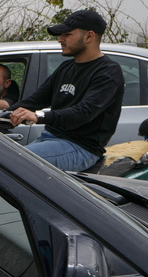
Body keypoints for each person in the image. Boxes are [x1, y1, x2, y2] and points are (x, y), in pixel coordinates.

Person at [7, 10, 125, 171]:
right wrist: (1, 115)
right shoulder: (66, 67)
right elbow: (35, 100)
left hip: (80, 147)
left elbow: (84, 112)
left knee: (10, 162)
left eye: (67, 34)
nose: (60, 40)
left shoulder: (108, 72)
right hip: (49, 139)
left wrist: (38, 116)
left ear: (89, 36)